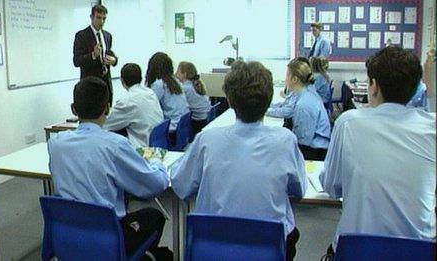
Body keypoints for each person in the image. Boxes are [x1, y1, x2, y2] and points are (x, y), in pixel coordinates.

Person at [171, 61, 307, 261]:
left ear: (229, 99)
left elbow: (180, 185)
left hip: (212, 248)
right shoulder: (285, 141)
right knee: (291, 233)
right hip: (266, 249)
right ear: (269, 100)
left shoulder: (207, 140)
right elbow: (299, 189)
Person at [319, 46, 436, 258]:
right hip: (418, 252)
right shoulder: (431, 127)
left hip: (356, 250)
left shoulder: (348, 123)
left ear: (373, 86)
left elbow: (332, 186)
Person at [48, 76, 171, 259]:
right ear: (107, 108)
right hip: (108, 238)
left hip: (67, 234)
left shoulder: (55, 143)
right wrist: (157, 164)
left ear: (73, 109)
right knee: (154, 216)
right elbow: (153, 186)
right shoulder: (116, 145)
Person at [104, 63, 163, 148]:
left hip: (142, 148)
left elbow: (105, 124)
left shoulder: (126, 101)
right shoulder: (150, 92)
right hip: (158, 143)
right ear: (141, 78)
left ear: (122, 81)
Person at [285, 57, 331, 160]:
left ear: (294, 79)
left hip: (316, 151)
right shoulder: (307, 92)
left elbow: (302, 140)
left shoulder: (304, 104)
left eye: (287, 75)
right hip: (315, 146)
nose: (285, 79)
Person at [73, 4, 117, 105]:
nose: (101, 21)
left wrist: (114, 60)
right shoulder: (82, 35)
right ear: (91, 17)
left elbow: (110, 53)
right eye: (98, 17)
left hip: (106, 84)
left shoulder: (107, 36)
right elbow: (76, 61)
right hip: (90, 85)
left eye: (104, 18)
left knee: (106, 114)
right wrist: (93, 55)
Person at [145, 52, 189, 145]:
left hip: (172, 129)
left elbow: (149, 106)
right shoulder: (175, 81)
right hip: (181, 127)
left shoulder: (158, 84)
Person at [175, 61, 211, 135]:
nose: (175, 74)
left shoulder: (185, 88)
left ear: (184, 74)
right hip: (204, 119)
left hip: (196, 123)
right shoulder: (196, 85)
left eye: (178, 72)